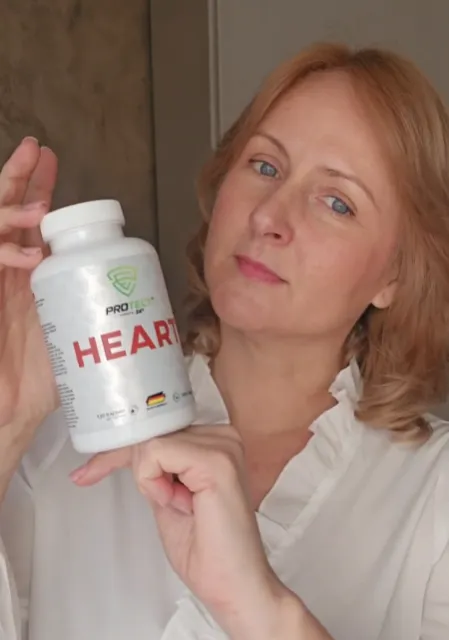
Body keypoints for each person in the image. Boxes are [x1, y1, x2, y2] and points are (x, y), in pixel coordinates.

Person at [0, 41, 448, 640]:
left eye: (337, 202)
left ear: (396, 274)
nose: (268, 216)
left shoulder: (435, 497)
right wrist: (7, 423)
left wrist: (260, 606)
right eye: (265, 166)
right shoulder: (54, 443)